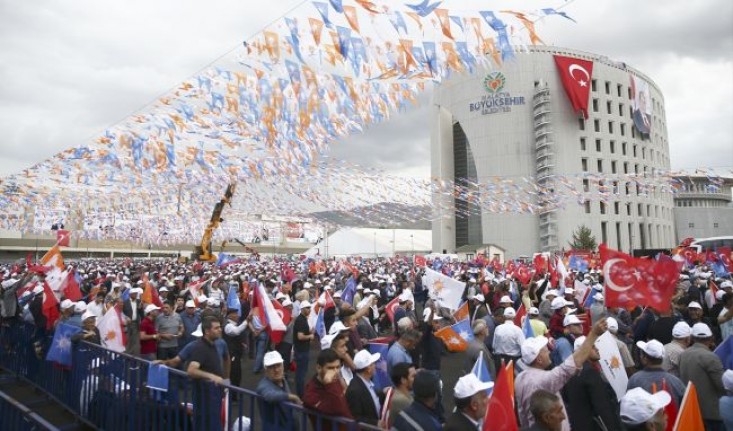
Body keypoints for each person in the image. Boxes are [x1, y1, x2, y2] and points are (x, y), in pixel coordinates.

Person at [515, 318, 608, 431]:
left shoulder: (520, 378)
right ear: (539, 359)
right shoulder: (541, 380)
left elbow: (522, 414)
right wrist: (593, 334)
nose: (549, 352)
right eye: (545, 350)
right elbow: (568, 367)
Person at [561, 336, 623, 431]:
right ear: (584, 350)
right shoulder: (589, 372)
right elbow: (603, 406)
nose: (597, 349)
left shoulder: (569, 371)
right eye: (593, 347)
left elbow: (565, 398)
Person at [679, 322, 725, 430]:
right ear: (710, 339)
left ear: (692, 338)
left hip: (693, 411)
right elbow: (722, 385)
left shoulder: (684, 354)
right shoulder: (710, 357)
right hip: (711, 414)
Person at [302, 348, 353, 430]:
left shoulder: (334, 381)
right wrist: (330, 384)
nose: (335, 372)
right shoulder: (311, 393)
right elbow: (338, 409)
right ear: (319, 368)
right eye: (330, 368)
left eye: (338, 367)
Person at [627, 339, 685, 406]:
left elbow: (629, 405)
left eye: (641, 354)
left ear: (645, 358)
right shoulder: (675, 381)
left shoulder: (635, 380)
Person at [255, 350, 300, 430]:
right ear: (266, 370)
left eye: (278, 365)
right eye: (272, 367)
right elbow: (270, 396)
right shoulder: (264, 385)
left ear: (283, 366)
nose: (276, 370)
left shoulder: (282, 380)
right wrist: (293, 397)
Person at [346, 349, 384, 426]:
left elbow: (371, 395)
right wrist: (376, 423)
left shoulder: (366, 382)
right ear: (368, 369)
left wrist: (383, 392)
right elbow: (356, 417)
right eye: (373, 364)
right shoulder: (354, 390)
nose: (375, 366)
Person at [187, 317, 225, 383]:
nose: (220, 330)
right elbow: (191, 371)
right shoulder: (201, 347)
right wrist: (212, 376)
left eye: (220, 327)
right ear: (207, 331)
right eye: (216, 328)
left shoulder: (213, 343)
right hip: (205, 391)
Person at [293, 300, 314, 397]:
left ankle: (301, 391)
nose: (309, 309)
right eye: (307, 308)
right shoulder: (301, 320)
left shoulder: (303, 319)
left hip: (303, 349)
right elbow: (300, 336)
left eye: (310, 307)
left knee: (301, 372)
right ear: (302, 309)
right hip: (301, 350)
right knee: (301, 373)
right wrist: (310, 336)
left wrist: (310, 331)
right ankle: (301, 394)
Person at [224, 308, 248, 388]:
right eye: (235, 314)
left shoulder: (234, 324)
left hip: (236, 353)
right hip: (232, 354)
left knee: (237, 373)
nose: (238, 316)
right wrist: (247, 321)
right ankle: (232, 393)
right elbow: (237, 331)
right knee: (234, 373)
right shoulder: (228, 326)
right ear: (230, 316)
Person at [387, 362, 415, 427]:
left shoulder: (401, 394)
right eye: (413, 376)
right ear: (403, 380)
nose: (417, 379)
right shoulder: (401, 400)